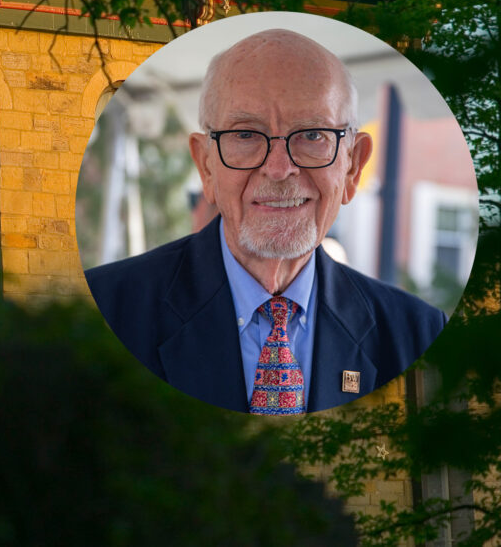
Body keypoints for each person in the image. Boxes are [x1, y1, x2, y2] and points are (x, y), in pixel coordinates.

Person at [85, 29, 446, 414]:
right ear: (206, 165)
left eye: (311, 134)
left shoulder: (419, 334)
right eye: (245, 134)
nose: (279, 169)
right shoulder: (104, 310)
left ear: (353, 166)